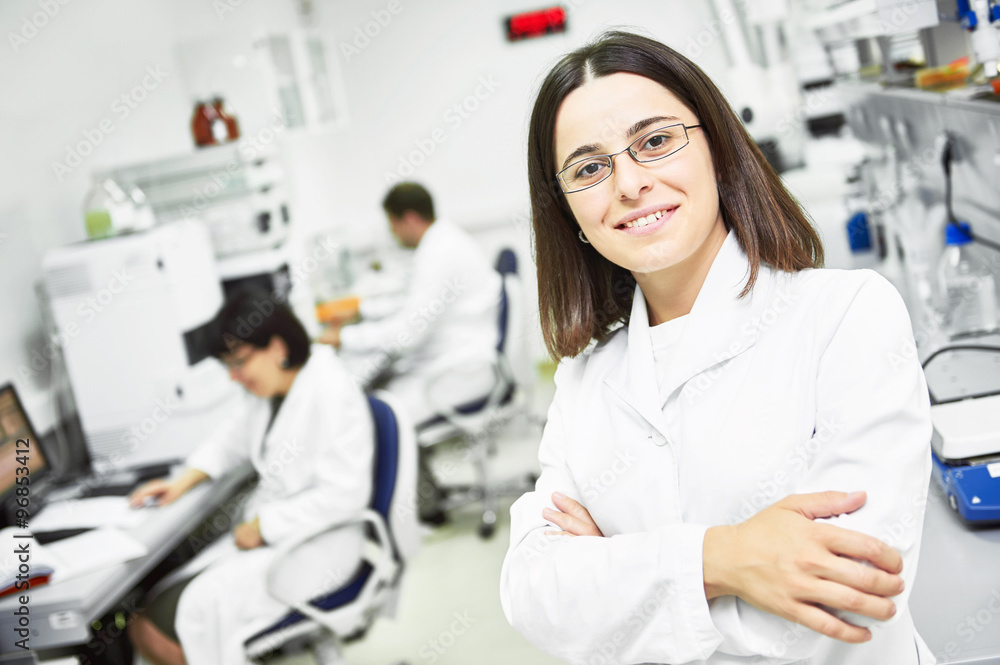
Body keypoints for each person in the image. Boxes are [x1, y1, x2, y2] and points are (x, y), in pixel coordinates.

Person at [499, 31, 934, 664]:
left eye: (655, 142)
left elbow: (851, 597)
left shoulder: (847, 316)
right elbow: (534, 595)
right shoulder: (582, 380)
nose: (629, 184)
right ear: (567, 213)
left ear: (719, 153)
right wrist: (723, 559)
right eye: (589, 169)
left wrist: (618, 577)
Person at [127, 290, 374, 665]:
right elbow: (232, 438)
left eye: (239, 362)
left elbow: (345, 495)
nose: (233, 376)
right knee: (160, 608)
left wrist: (265, 525)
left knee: (157, 626)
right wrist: (183, 481)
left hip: (316, 547)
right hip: (281, 539)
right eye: (227, 365)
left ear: (277, 347)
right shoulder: (275, 391)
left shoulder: (329, 390)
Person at [323, 182, 502, 523]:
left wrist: (344, 338)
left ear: (408, 219)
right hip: (460, 361)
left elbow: (407, 333)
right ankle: (426, 499)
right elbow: (411, 305)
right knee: (382, 392)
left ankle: (422, 511)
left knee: (380, 415)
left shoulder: (439, 253)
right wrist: (363, 311)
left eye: (392, 225)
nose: (393, 235)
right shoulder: (442, 242)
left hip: (460, 373)